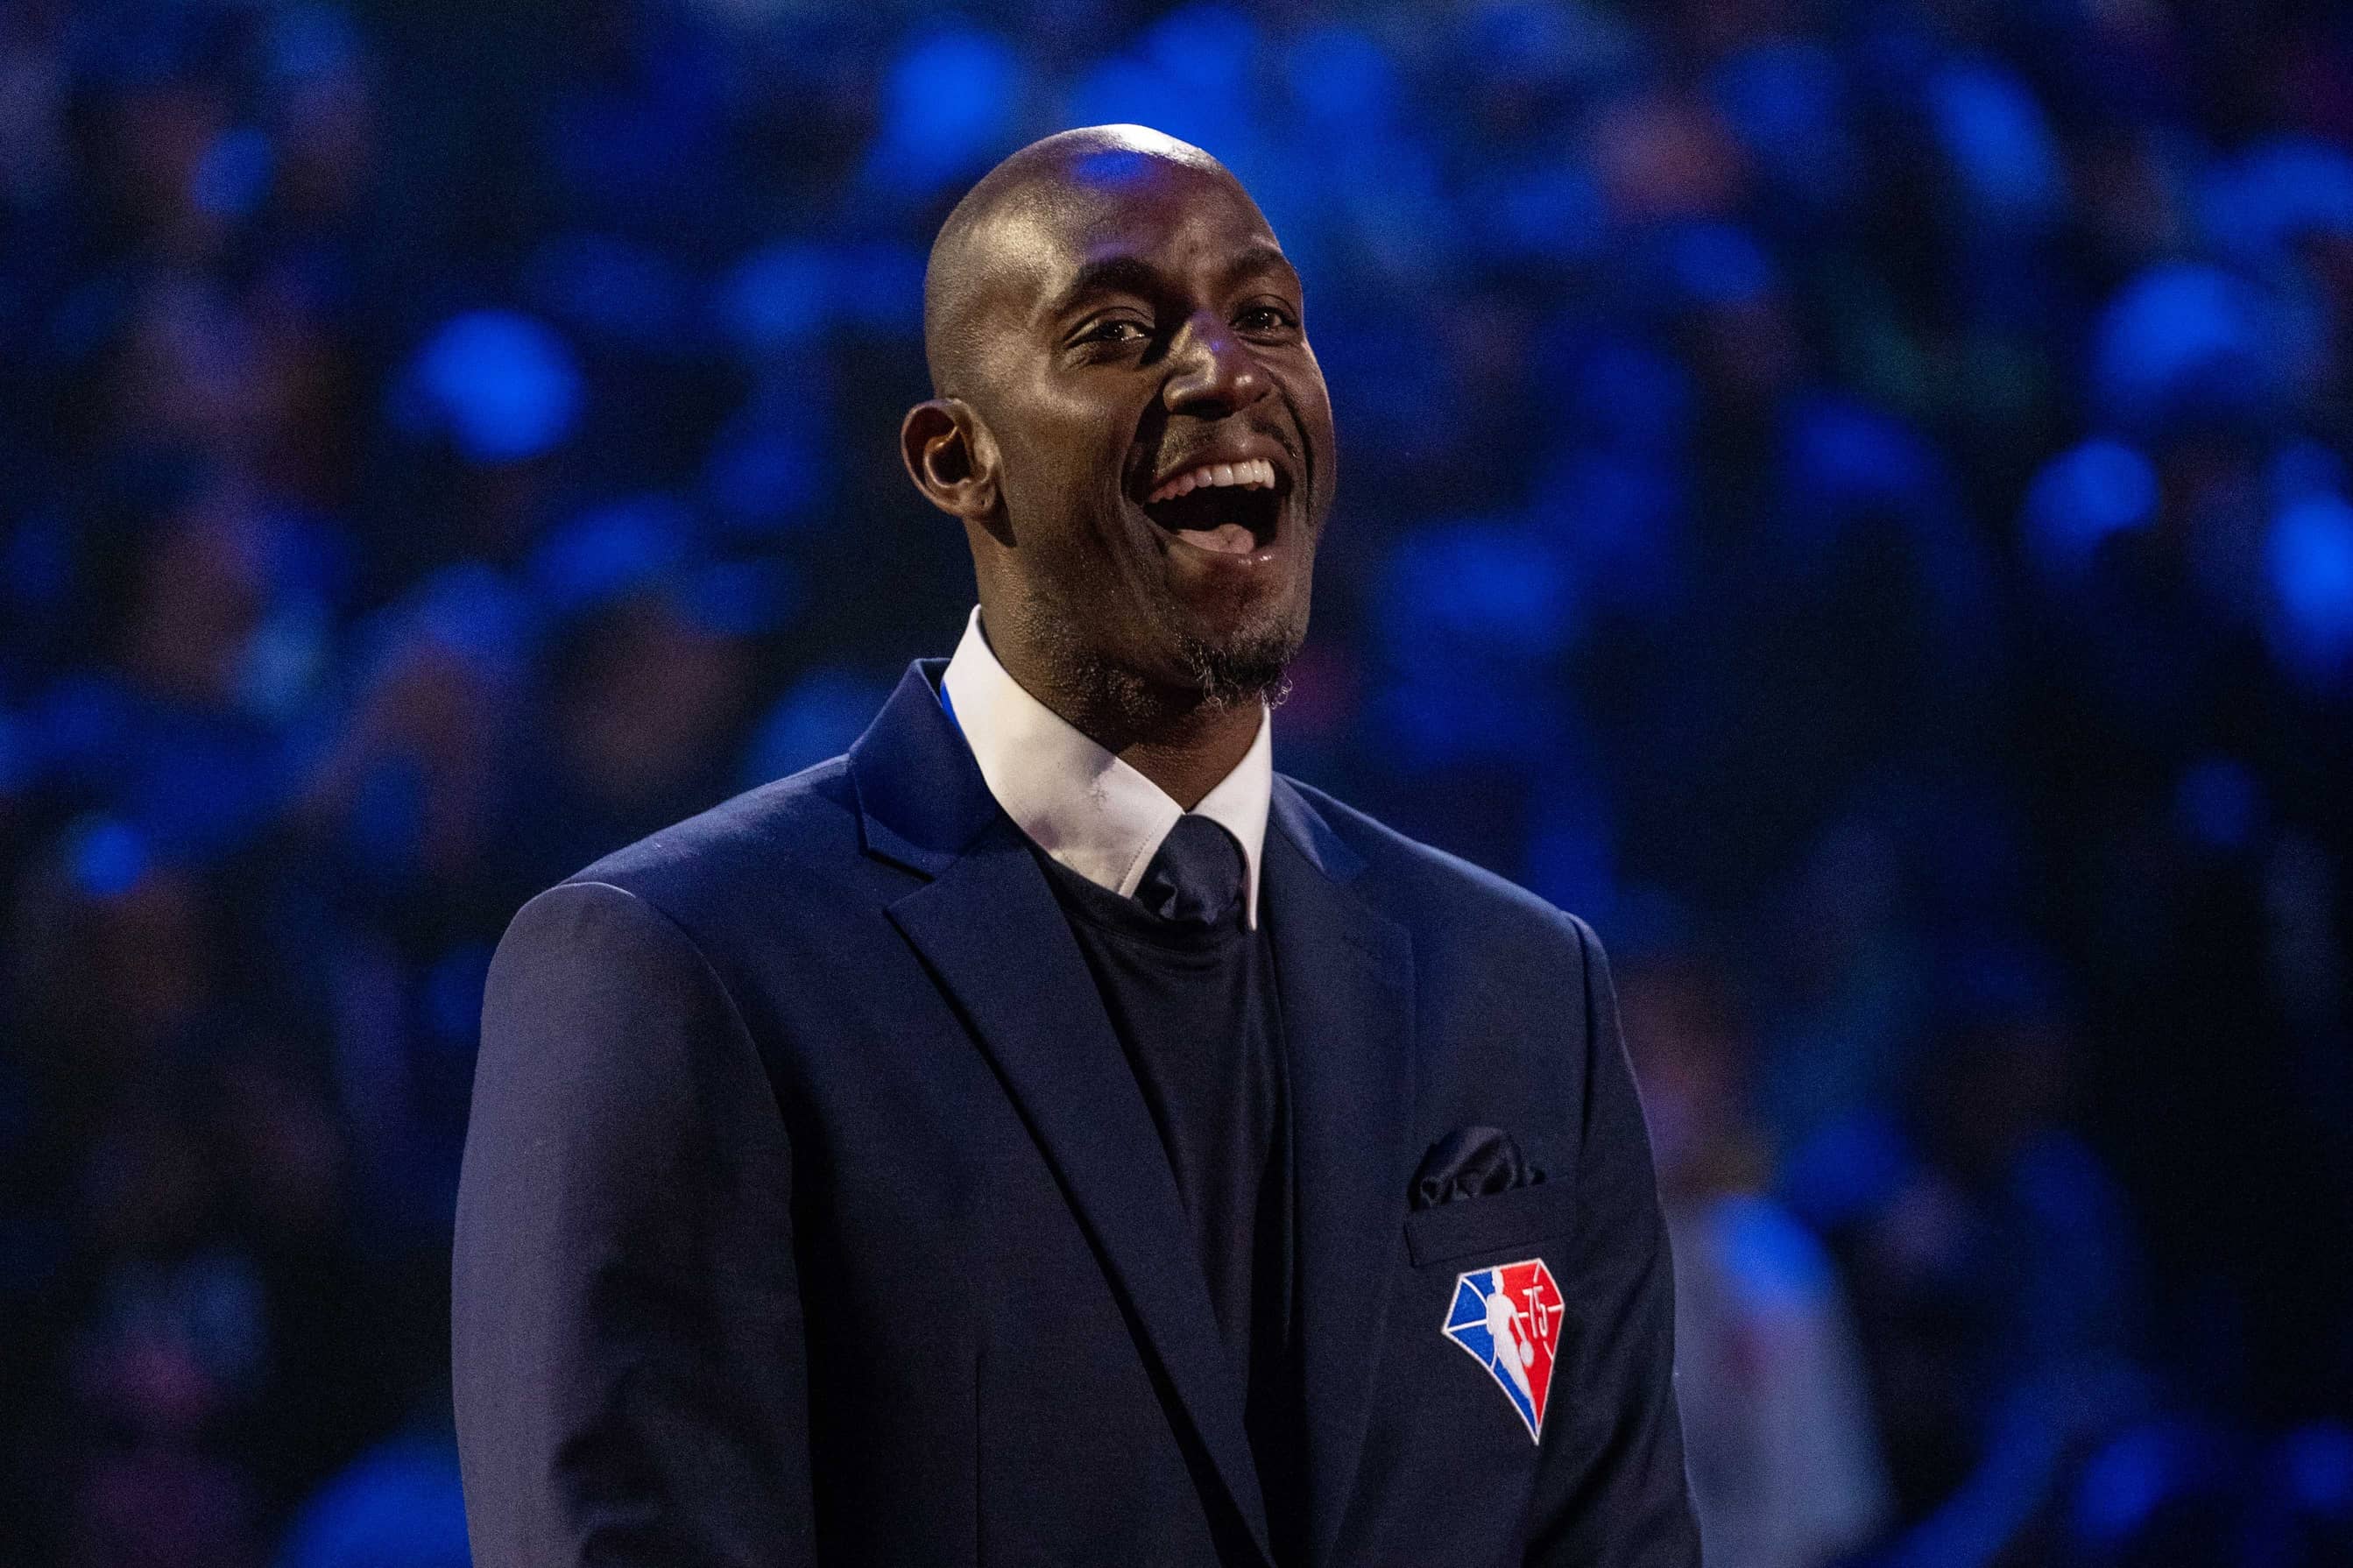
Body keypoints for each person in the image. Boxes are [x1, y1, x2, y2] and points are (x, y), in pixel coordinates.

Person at [451, 124, 1700, 1567]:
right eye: (1118, 331)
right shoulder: (673, 970)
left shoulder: (1521, 988)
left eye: (1270, 319)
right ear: (953, 457)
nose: (1226, 372)